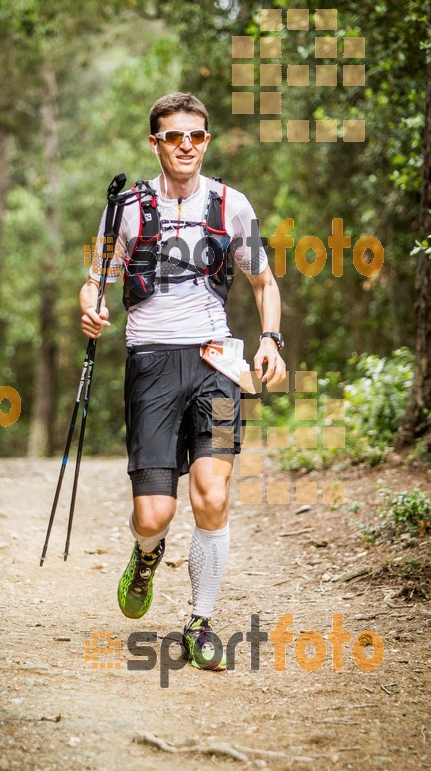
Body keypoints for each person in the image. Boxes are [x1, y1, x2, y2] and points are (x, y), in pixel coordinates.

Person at [79, 92, 286, 671]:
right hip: (151, 361)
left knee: (212, 495)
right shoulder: (127, 206)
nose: (187, 145)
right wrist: (91, 310)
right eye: (174, 136)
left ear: (207, 141)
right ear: (156, 143)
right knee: (154, 515)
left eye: (196, 136)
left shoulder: (231, 205)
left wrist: (271, 340)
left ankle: (200, 621)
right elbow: (96, 279)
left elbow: (264, 284)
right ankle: (146, 556)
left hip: (217, 362)